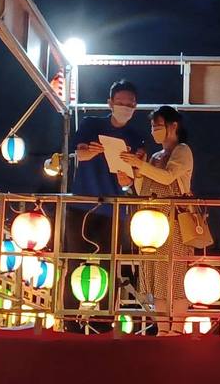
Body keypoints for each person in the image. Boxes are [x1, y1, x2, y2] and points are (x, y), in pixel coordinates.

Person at [64, 80, 145, 328]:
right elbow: (79, 153)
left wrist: (126, 178)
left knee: (109, 264)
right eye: (121, 103)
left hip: (114, 209)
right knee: (74, 261)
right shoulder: (91, 124)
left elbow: (133, 178)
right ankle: (69, 319)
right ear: (110, 103)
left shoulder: (136, 136)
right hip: (81, 204)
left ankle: (104, 322)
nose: (125, 108)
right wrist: (94, 151)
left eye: (130, 104)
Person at [122, 106, 194, 335]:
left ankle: (177, 329)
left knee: (177, 278)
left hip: (175, 221)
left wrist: (141, 166)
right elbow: (143, 188)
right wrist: (136, 172)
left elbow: (168, 177)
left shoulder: (182, 151)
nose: (154, 130)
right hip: (152, 223)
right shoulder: (155, 156)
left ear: (173, 126)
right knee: (157, 278)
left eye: (158, 126)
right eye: (152, 127)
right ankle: (163, 329)